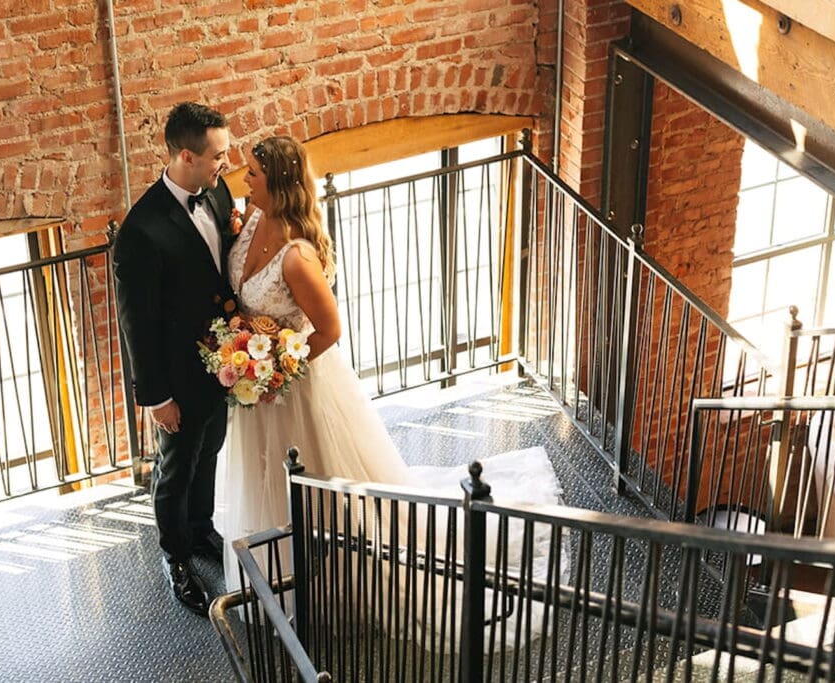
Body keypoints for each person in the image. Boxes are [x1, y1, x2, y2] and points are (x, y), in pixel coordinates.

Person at [221, 136, 565, 642]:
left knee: (317, 484)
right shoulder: (250, 217)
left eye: (252, 172)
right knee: (267, 481)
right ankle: (282, 576)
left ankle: (332, 582)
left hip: (294, 385)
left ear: (277, 183)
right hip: (258, 382)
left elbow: (330, 329)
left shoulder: (297, 257)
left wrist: (277, 371)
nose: (244, 178)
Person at [113, 102, 238, 616]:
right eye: (218, 156)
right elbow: (136, 325)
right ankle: (176, 557)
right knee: (175, 469)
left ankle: (202, 528)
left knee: (210, 451)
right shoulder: (140, 232)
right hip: (178, 378)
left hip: (222, 366)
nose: (226, 164)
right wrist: (157, 398)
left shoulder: (219, 191)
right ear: (186, 155)